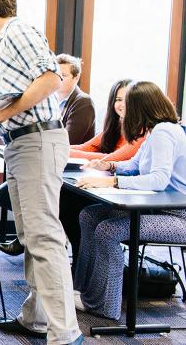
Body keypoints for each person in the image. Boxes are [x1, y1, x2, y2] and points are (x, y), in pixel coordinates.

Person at [0, 0, 82, 343]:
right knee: (31, 236)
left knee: (44, 237)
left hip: (37, 140)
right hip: (24, 141)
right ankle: (36, 318)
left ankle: (66, 332)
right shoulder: (5, 43)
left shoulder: (18, 30)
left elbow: (50, 78)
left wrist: (3, 114)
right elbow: (28, 89)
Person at [73, 81, 186, 320]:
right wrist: (109, 165)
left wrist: (111, 182)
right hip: (159, 210)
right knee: (89, 215)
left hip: (177, 217)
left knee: (107, 231)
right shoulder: (156, 130)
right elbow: (135, 165)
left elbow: (157, 179)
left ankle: (104, 304)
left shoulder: (165, 132)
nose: (124, 111)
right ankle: (83, 290)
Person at [0, 79, 146, 259]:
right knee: (62, 198)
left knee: (67, 201)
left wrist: (56, 150)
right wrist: (49, 147)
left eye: (127, 99)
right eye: (118, 99)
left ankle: (69, 254)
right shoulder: (115, 127)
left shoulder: (142, 131)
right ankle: (59, 249)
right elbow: (86, 148)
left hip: (125, 195)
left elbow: (113, 159)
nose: (121, 105)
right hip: (100, 187)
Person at [55, 54, 95, 145]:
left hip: (73, 157)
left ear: (76, 77)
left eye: (63, 75)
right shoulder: (49, 99)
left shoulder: (84, 102)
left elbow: (67, 141)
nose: (58, 79)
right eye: (56, 74)